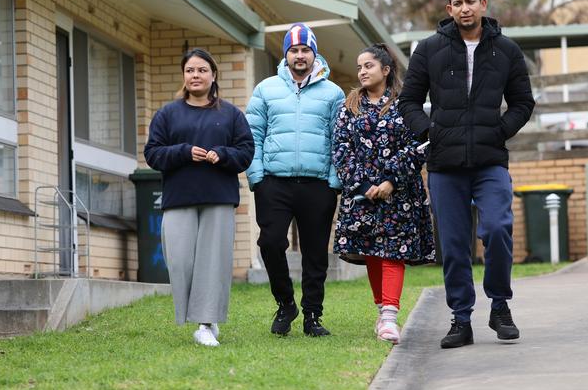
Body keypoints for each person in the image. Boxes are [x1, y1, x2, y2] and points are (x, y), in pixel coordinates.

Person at [398, 0, 535, 348]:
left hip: (490, 161)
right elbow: (408, 101)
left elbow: (524, 102)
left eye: (471, 1)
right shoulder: (429, 49)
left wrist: (498, 131)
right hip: (445, 164)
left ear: (483, 5)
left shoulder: (506, 50)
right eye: (457, 3)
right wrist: (429, 132)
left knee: (496, 228)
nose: (465, 8)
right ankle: (460, 319)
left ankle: (500, 305)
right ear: (449, 10)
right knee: (456, 245)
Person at [144, 48, 254, 347]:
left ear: (213, 75)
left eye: (202, 70)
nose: (196, 75)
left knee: (213, 261)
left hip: (218, 197)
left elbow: (246, 152)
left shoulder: (231, 114)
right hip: (178, 198)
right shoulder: (168, 114)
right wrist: (182, 151)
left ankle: (205, 322)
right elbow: (152, 153)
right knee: (179, 261)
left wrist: (223, 155)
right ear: (184, 76)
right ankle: (198, 316)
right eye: (190, 70)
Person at [332, 43, 436, 344]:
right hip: (361, 194)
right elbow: (341, 149)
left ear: (386, 70)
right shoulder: (349, 106)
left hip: (399, 194)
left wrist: (391, 180)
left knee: (393, 253)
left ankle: (390, 316)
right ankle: (382, 310)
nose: (362, 71)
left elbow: (420, 145)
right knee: (371, 254)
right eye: (360, 66)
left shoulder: (407, 104)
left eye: (369, 66)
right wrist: (363, 185)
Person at [246, 23, 345, 337]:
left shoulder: (333, 93)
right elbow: (253, 136)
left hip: (318, 185)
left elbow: (339, 140)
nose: (299, 56)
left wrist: (334, 181)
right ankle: (285, 303)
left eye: (305, 50)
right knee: (270, 242)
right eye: (294, 50)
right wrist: (257, 177)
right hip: (274, 183)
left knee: (316, 253)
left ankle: (312, 316)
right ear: (286, 54)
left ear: (314, 54)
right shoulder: (266, 89)